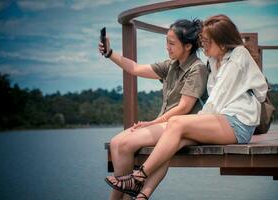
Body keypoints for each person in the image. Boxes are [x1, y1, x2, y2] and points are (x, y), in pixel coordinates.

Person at [104, 14, 268, 200]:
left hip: (238, 124)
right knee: (177, 139)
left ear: (222, 43)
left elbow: (216, 100)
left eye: (206, 41)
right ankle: (143, 194)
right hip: (221, 120)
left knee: (176, 124)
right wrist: (110, 53)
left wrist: (186, 122)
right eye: (202, 40)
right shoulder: (214, 61)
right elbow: (135, 68)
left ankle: (138, 177)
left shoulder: (238, 55)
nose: (203, 45)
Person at [99, 19, 209, 200]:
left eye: (172, 43)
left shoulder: (197, 69)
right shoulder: (172, 65)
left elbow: (184, 108)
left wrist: (153, 122)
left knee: (126, 145)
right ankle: (126, 194)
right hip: (165, 123)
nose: (167, 47)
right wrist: (110, 53)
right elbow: (135, 68)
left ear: (188, 45)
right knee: (116, 143)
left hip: (183, 126)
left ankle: (119, 197)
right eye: (167, 42)